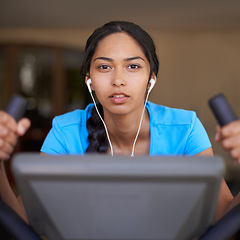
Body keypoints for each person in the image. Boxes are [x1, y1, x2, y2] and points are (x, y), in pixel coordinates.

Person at [0, 21, 239, 225]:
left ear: (151, 79)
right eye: (104, 67)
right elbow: (20, 222)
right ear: (89, 80)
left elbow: (227, 219)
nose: (118, 80)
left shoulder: (185, 128)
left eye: (133, 66)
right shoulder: (66, 130)